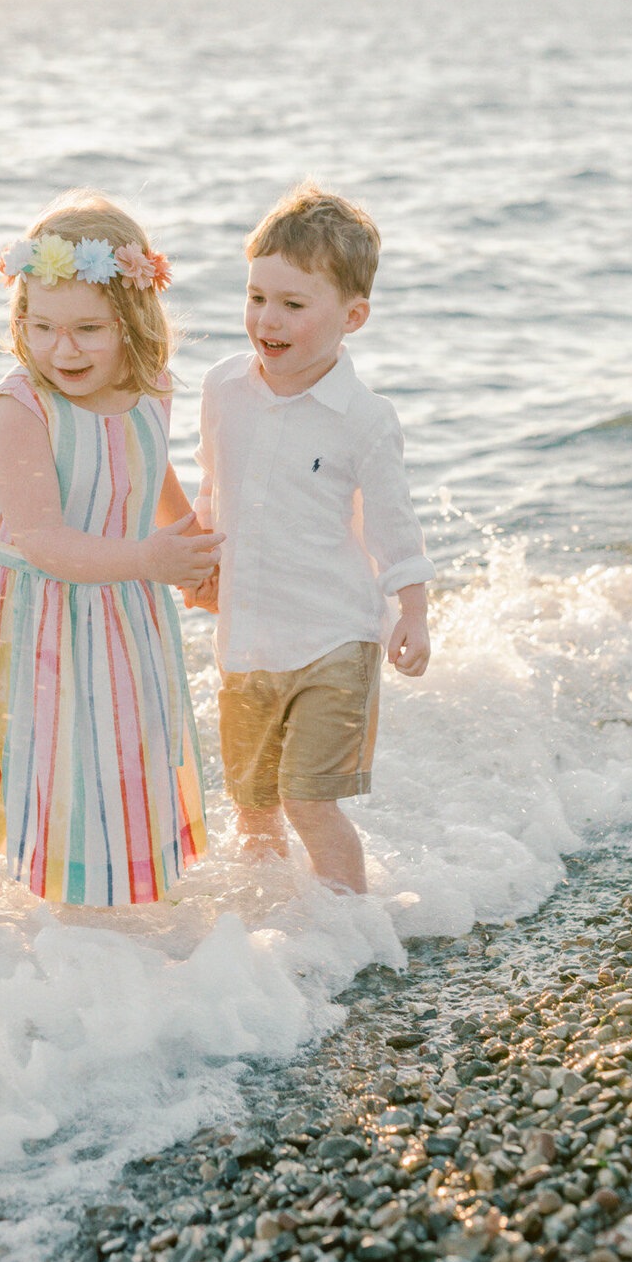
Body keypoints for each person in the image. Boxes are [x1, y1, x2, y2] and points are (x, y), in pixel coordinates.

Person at [0, 192, 222, 905]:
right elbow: (44, 539)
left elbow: (152, 466)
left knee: (97, 775)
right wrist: (149, 560)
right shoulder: (20, 411)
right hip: (13, 617)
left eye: (88, 328)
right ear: (21, 322)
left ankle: (89, 941)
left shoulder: (150, 386)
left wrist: (195, 551)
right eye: (43, 327)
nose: (64, 348)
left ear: (133, 321)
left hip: (111, 614)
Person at [190, 182, 434, 895]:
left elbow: (394, 526)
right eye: (256, 296)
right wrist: (204, 562)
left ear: (352, 316)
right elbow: (213, 485)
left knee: (308, 800)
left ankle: (345, 931)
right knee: (253, 806)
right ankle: (270, 926)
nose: (267, 317)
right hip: (245, 639)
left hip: (335, 638)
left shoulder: (363, 418)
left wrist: (413, 612)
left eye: (293, 304)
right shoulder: (222, 387)